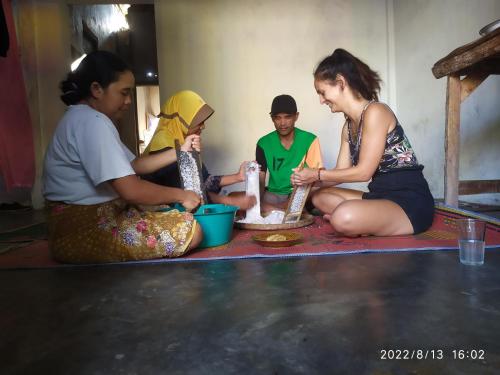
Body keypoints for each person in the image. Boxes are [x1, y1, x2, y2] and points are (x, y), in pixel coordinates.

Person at [43, 51, 204, 264]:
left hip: (73, 225)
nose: (128, 101)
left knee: (166, 211)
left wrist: (180, 151)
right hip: (82, 229)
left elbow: (135, 165)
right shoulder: (93, 123)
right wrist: (181, 195)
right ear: (96, 89)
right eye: (123, 93)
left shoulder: (84, 117)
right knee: (192, 231)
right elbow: (131, 190)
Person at [292, 48, 434, 236]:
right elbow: (339, 173)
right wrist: (307, 183)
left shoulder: (376, 112)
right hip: (379, 196)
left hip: (408, 201)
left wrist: (316, 175)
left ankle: (355, 221)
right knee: (319, 198)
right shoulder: (348, 127)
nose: (321, 100)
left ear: (341, 83)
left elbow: (364, 172)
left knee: (342, 216)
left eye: (322, 92)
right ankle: (364, 221)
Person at [141, 90, 256, 210]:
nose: (203, 126)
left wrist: (238, 177)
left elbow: (204, 181)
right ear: (182, 119)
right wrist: (231, 201)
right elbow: (190, 192)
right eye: (198, 121)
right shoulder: (163, 144)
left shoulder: (183, 142)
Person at [256, 94, 323, 211]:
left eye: (287, 117)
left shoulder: (310, 140)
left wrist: (291, 201)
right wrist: (256, 203)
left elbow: (316, 180)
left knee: (318, 197)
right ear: (272, 118)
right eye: (278, 117)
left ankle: (279, 210)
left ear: (296, 116)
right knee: (244, 200)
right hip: (274, 195)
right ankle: (279, 210)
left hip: (302, 194)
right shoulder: (263, 143)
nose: (283, 123)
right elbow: (260, 180)